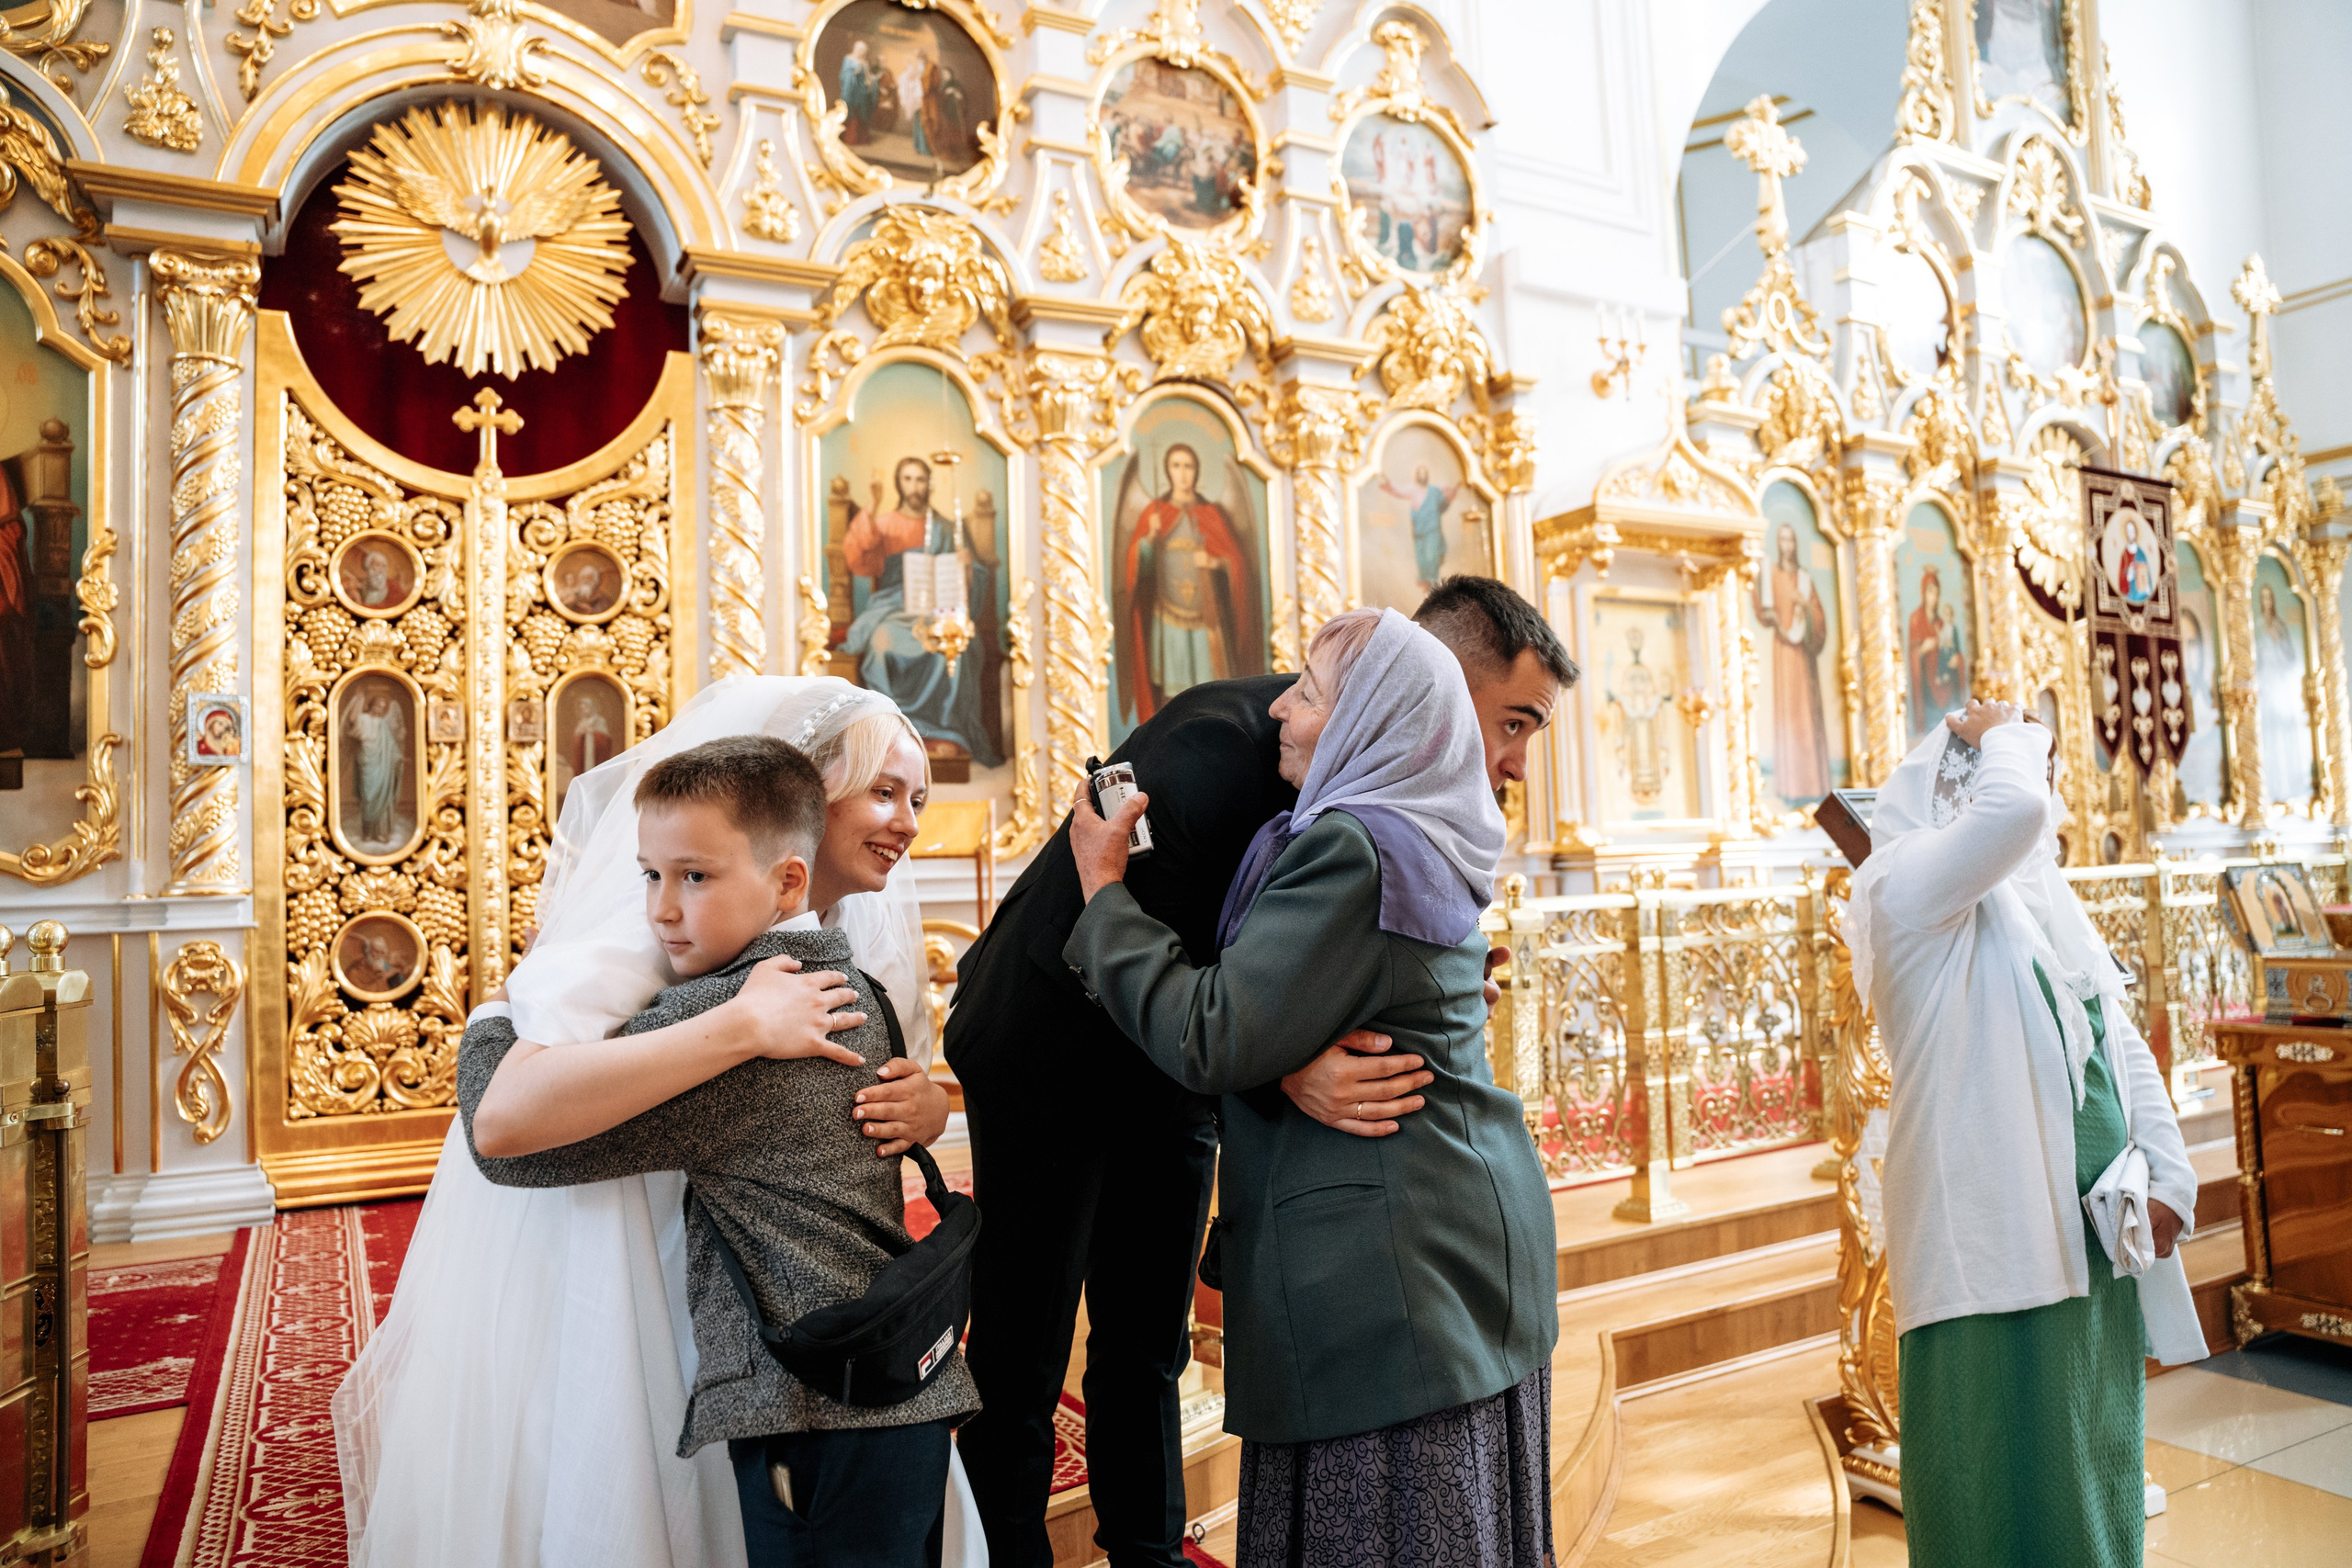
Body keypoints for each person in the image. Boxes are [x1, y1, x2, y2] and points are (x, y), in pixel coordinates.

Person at [949, 576, 1574, 1567]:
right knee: (1022, 1349)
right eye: (1509, 722)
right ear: (1427, 685)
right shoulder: (1224, 756)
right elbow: (1193, 985)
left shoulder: (1379, 782)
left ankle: (1147, 1553)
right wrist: (1283, 1071)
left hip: (1174, 1058)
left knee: (1145, 1338)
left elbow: (1266, 989)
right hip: (1049, 1044)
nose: (1507, 759)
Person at [334, 676, 966, 1568]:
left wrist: (926, 1106)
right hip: (699, 1275)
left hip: (788, 1346)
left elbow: (508, 1131)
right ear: (806, 794)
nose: (905, 819)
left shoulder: (811, 956)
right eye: (882, 791)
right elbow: (522, 1115)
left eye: (916, 798)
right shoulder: (684, 945)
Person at [1850, 698, 2206, 1568]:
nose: (2040, 794)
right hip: (1991, 1256)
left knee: (2092, 1477)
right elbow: (2016, 810)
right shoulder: (1903, 891)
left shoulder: (2042, 909)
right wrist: (2000, 730)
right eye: (2023, 769)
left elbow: (2115, 1029)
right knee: (1999, 1492)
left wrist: (2171, 1174)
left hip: (2089, 1239)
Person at [1754, 519, 1831, 801]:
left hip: (1803, 658)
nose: (1787, 545)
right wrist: (1769, 615)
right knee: (1788, 716)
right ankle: (1790, 788)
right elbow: (1762, 607)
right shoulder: (1771, 574)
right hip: (1783, 656)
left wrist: (1805, 607)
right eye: (1783, 540)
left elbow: (1819, 620)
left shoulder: (1804, 579)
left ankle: (1813, 786)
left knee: (1807, 720)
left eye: (1791, 540)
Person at [1378, 464, 1464, 595]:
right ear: (1417, 476)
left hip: (1432, 530)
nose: (1422, 476)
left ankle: (1433, 585)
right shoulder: (1412, 489)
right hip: (1419, 531)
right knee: (1421, 559)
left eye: (1424, 473)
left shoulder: (1435, 491)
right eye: (1420, 473)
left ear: (1427, 476)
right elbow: (1398, 491)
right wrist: (1389, 486)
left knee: (1431, 557)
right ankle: (1427, 585)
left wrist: (1449, 497)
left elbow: (1442, 506)